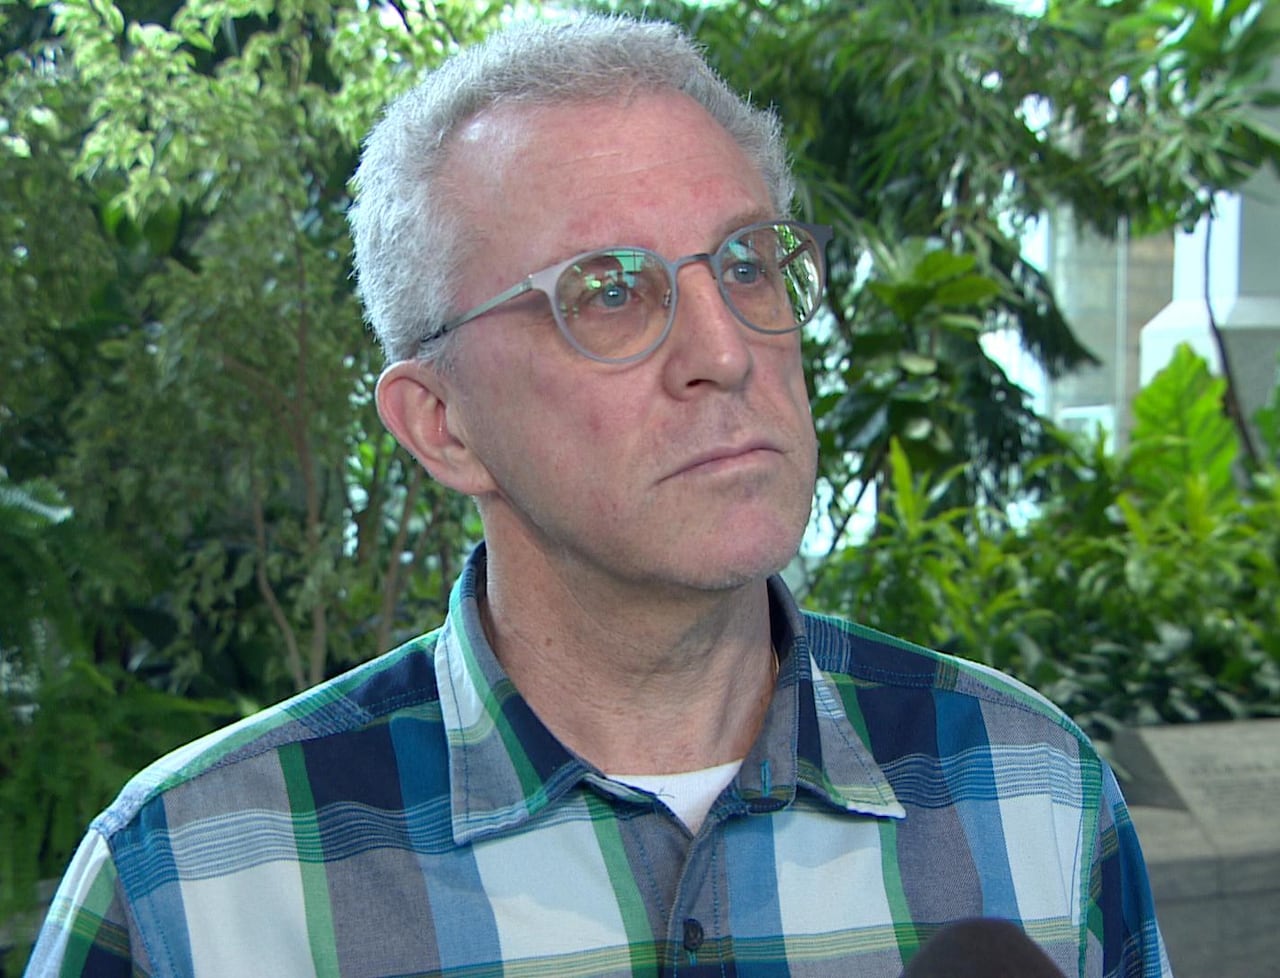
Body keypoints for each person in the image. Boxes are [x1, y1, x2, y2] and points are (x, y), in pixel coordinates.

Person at [26, 14, 1172, 978]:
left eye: (746, 264)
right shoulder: (191, 885)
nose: (723, 352)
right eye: (609, 292)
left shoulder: (1032, 793)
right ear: (442, 424)